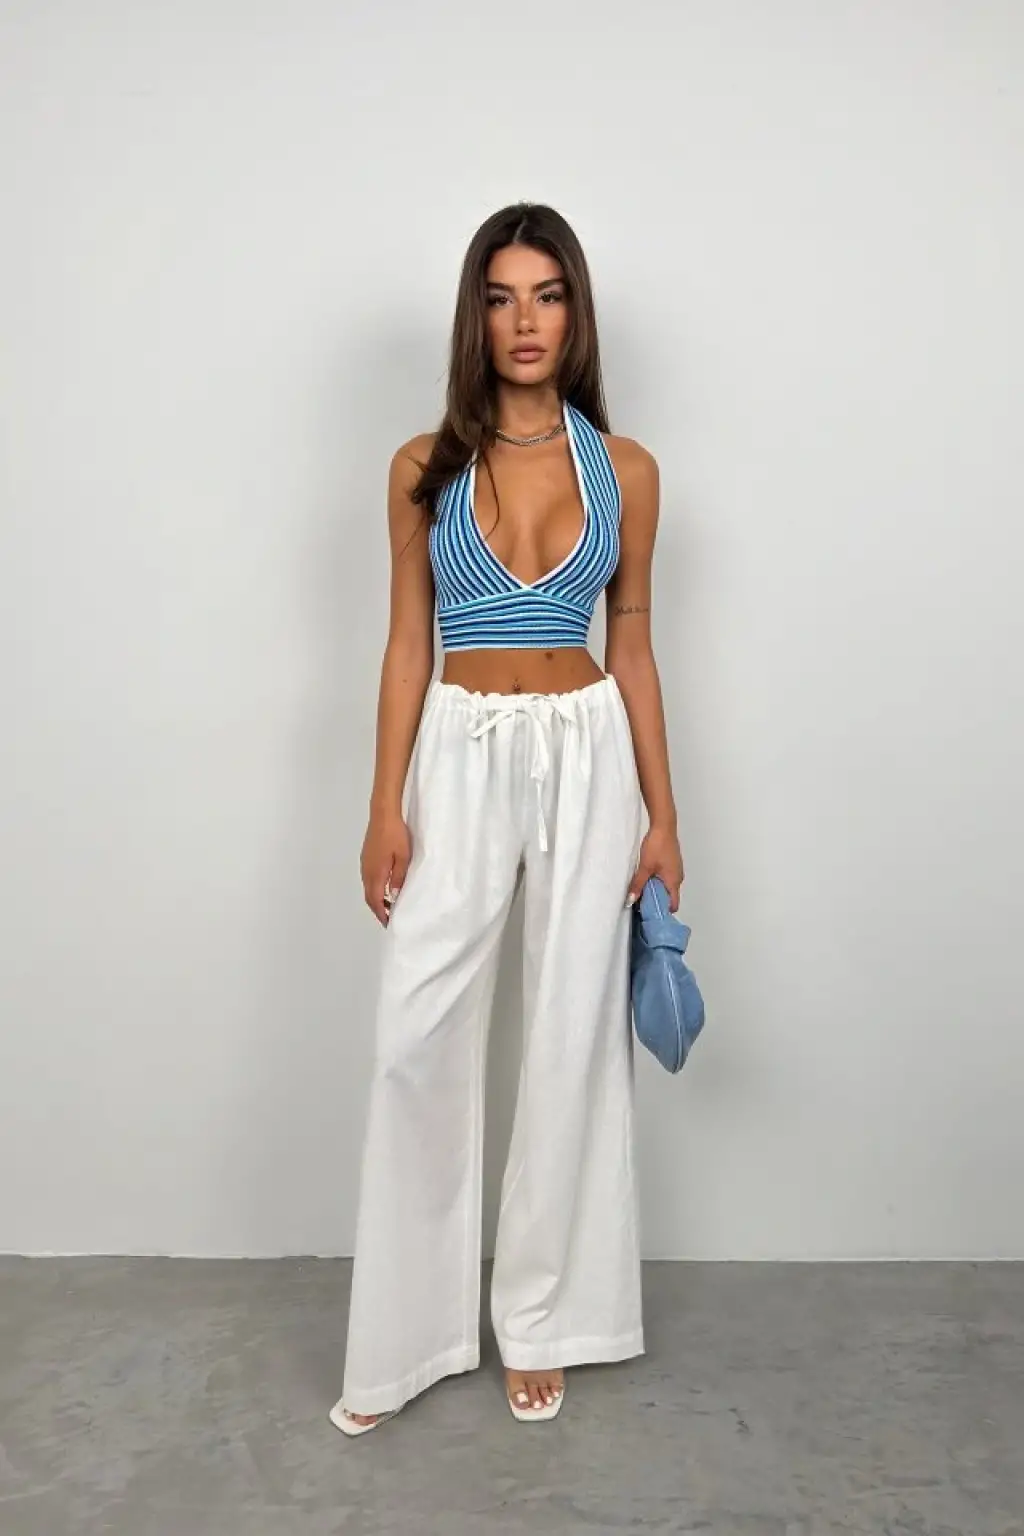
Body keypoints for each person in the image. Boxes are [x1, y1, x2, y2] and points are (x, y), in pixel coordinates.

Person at [330, 201, 685, 1435]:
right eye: (499, 297)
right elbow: (405, 646)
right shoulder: (423, 467)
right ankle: (409, 1339)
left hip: (589, 748)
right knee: (414, 1035)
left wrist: (663, 817)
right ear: (473, 318)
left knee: (571, 1034)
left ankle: (544, 1320)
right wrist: (384, 804)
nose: (524, 321)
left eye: (546, 294)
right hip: (463, 745)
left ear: (574, 312)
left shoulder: (625, 470)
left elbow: (631, 645)